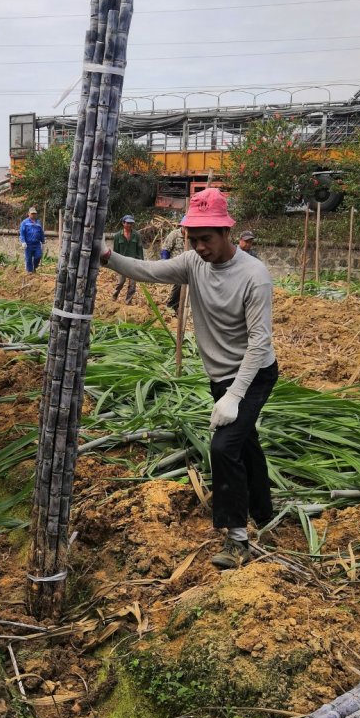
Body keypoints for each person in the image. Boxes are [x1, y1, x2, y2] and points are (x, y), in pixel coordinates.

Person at [100, 188, 278, 569]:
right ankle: (264, 512)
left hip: (254, 373)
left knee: (224, 447)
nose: (198, 247)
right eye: (192, 239)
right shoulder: (193, 263)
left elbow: (260, 343)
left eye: (206, 239)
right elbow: (147, 272)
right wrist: (106, 256)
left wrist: (234, 396)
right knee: (246, 444)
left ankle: (237, 539)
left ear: (226, 233)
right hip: (221, 374)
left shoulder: (254, 276)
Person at [112, 214, 144, 304]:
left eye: (131, 223)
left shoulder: (136, 235)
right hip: (122, 263)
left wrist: (141, 262)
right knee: (120, 282)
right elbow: (115, 251)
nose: (129, 225)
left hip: (133, 263)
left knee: (132, 285)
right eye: (128, 223)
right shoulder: (118, 236)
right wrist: (115, 264)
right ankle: (114, 296)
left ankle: (128, 301)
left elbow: (140, 249)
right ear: (123, 223)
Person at [161, 221, 186, 314]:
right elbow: (165, 249)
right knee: (179, 284)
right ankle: (171, 305)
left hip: (187, 265)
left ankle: (179, 307)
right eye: (185, 227)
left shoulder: (193, 236)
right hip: (175, 265)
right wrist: (165, 264)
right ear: (182, 226)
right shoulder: (174, 234)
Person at [19, 206, 45, 273]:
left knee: (38, 256)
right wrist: (23, 242)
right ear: (28, 213)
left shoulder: (38, 222)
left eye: (34, 213)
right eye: (32, 213)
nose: (33, 215)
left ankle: (35, 267)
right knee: (28, 259)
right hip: (28, 244)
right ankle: (29, 272)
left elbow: (41, 232)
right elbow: (22, 233)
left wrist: (43, 241)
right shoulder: (24, 222)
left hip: (37, 244)